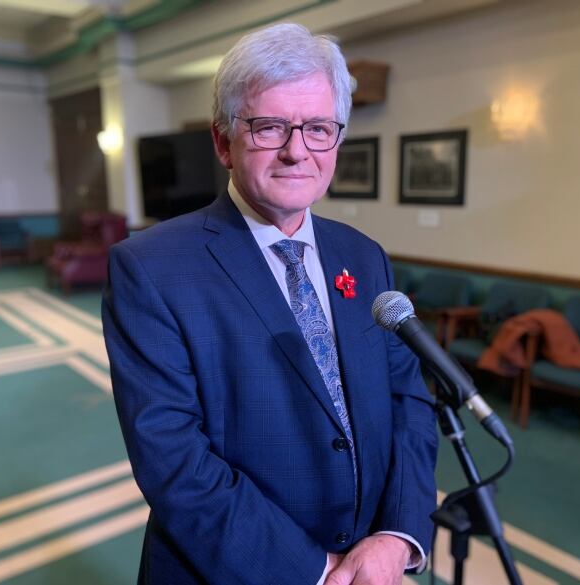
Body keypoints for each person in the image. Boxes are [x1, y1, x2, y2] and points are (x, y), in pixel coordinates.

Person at [102, 22, 438, 585]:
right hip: (231, 568)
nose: (296, 151)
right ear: (222, 141)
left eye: (318, 129)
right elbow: (174, 461)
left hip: (368, 561)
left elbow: (408, 401)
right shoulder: (151, 268)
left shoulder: (365, 255)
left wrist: (396, 535)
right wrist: (315, 571)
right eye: (269, 127)